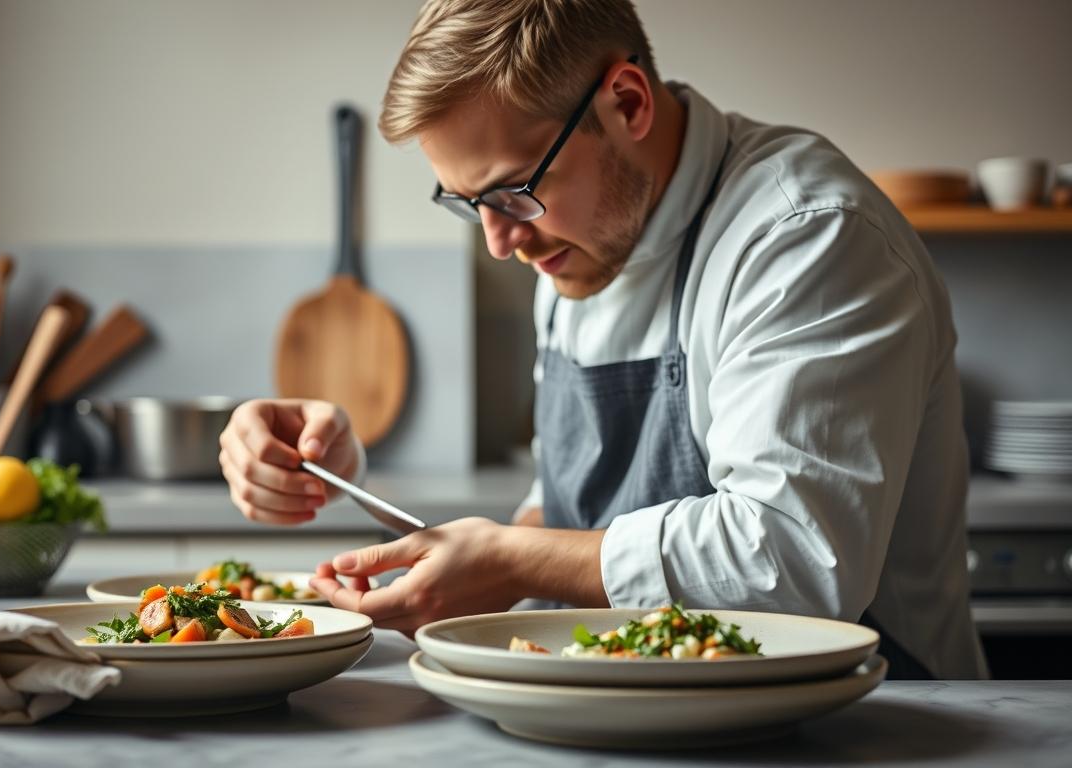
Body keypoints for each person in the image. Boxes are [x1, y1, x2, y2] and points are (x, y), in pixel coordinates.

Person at [218, 0, 986, 679]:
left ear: (627, 101)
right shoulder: (571, 245)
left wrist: (507, 558)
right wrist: (376, 501)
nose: (498, 242)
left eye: (516, 189)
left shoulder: (806, 236)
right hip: (635, 708)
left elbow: (791, 560)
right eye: (468, 202)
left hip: (866, 729)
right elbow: (559, 517)